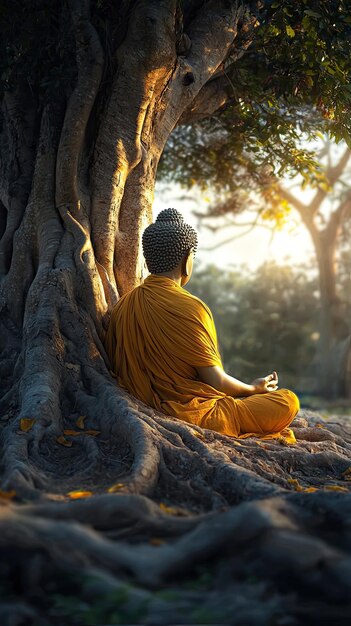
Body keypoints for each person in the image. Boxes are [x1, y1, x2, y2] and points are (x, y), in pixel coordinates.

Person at [104, 208, 299, 443]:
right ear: (187, 260)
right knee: (287, 401)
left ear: (148, 260)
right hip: (197, 415)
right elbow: (216, 381)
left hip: (137, 405)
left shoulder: (124, 306)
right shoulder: (193, 307)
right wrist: (252, 388)